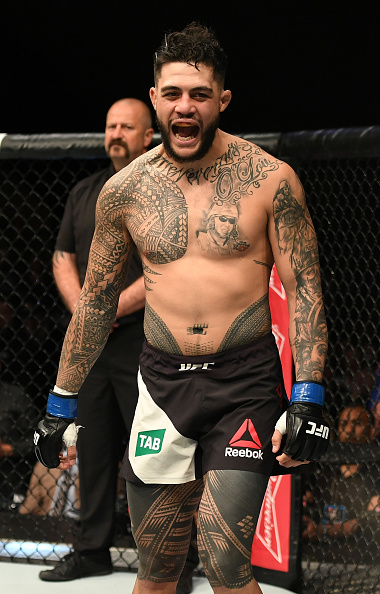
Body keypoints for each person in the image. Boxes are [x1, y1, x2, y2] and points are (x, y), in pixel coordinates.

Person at [34, 23, 330, 594]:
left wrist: (310, 391)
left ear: (222, 99)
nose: (185, 107)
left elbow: (306, 287)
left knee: (222, 555)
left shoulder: (270, 179)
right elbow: (95, 302)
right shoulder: (123, 193)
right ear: (155, 100)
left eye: (199, 94)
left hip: (243, 381)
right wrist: (60, 401)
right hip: (161, 384)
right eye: (172, 94)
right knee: (158, 565)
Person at [38, 98, 153, 582]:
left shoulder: (161, 192)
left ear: (149, 135)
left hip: (144, 340)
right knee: (93, 445)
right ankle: (92, 551)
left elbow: (167, 269)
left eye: (127, 126)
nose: (117, 133)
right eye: (111, 126)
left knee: (154, 449)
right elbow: (63, 257)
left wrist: (107, 307)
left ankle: (169, 557)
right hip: (91, 342)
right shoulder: (84, 192)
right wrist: (85, 311)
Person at [302, 402, 380, 557]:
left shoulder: (375, 474)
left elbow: (369, 524)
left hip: (358, 558)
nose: (349, 430)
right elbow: (304, 501)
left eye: (358, 424)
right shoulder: (323, 471)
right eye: (344, 424)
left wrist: (322, 530)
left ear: (371, 431)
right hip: (315, 554)